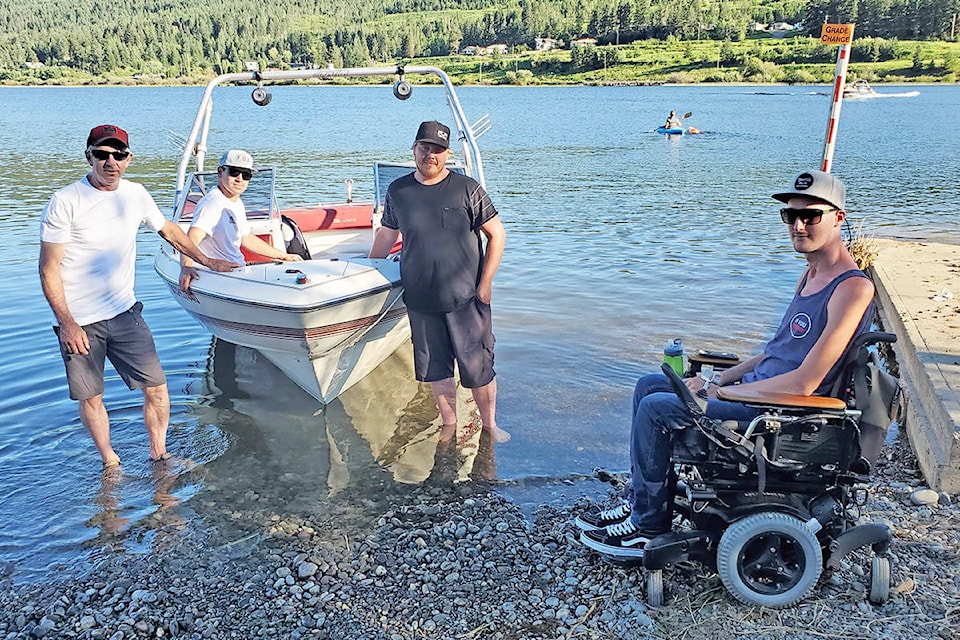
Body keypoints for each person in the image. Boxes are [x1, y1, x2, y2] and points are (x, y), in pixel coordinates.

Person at [578, 170, 876, 559]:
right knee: (649, 385)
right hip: (756, 392)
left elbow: (806, 382)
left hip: (781, 414)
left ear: (839, 217)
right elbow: (778, 350)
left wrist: (723, 392)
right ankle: (640, 501)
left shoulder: (852, 288)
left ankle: (648, 527)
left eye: (811, 216)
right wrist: (724, 375)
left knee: (657, 409)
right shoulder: (811, 274)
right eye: (790, 216)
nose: (798, 225)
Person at [39, 124, 241, 472]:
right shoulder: (66, 201)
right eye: (102, 154)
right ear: (88, 156)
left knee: (158, 388)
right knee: (92, 397)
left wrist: (204, 261)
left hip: (124, 312)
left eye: (118, 155)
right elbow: (48, 269)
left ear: (128, 159)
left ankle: (159, 455)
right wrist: (68, 324)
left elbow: (169, 230)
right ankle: (110, 463)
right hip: (79, 319)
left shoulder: (135, 195)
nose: (110, 162)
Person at [368, 121, 510, 444]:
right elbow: (387, 235)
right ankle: (449, 426)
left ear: (447, 154)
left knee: (479, 370)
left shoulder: (467, 189)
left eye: (437, 149)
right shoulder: (398, 191)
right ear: (414, 149)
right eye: (424, 148)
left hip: (467, 300)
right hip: (421, 302)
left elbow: (497, 235)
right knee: (437, 371)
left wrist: (485, 284)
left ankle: (489, 426)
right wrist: (364, 269)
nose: (429, 155)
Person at [179, 149, 302, 291]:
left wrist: (283, 256)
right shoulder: (213, 202)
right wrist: (186, 267)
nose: (240, 179)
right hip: (222, 275)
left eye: (246, 174)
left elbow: (246, 238)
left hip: (238, 269)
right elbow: (191, 237)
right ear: (220, 172)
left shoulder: (236, 202)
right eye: (234, 172)